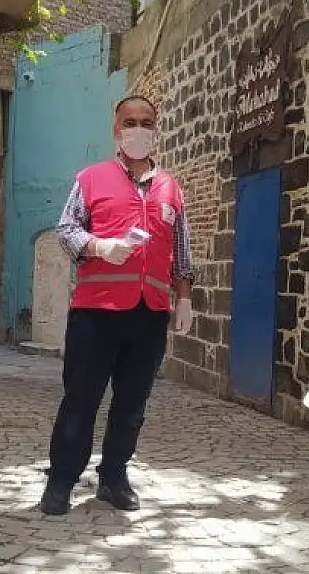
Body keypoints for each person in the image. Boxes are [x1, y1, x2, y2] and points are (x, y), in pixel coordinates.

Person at [39, 95, 195, 516]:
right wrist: (98, 246)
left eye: (146, 122)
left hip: (149, 314)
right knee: (81, 400)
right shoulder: (91, 178)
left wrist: (184, 298)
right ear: (116, 130)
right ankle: (61, 481)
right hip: (96, 312)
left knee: (132, 405)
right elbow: (65, 228)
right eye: (131, 122)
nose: (138, 129)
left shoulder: (171, 189)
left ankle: (113, 476)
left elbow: (181, 251)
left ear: (156, 129)